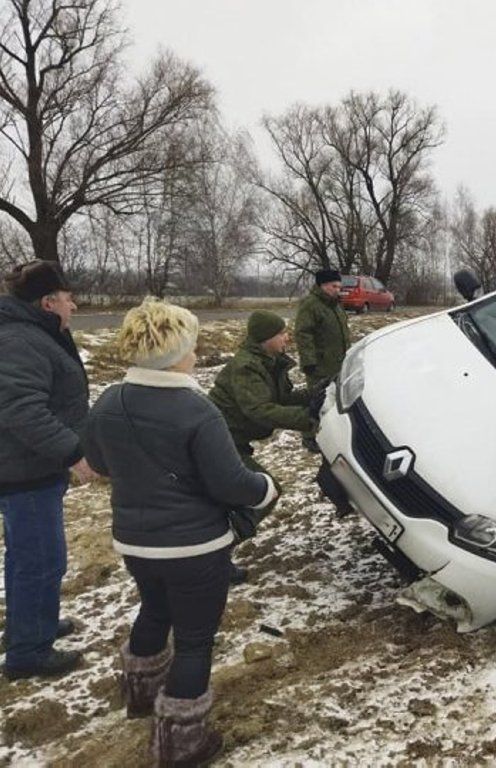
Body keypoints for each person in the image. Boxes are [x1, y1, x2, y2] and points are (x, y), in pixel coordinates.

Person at [81, 297, 277, 766]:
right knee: (194, 640)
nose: (196, 352)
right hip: (195, 547)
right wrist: (266, 488)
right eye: (191, 343)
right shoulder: (196, 410)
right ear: (176, 351)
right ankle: (184, 742)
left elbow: (102, 463)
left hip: (135, 541)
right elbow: (231, 483)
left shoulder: (108, 401)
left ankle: (141, 696)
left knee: (154, 609)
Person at [0, 260, 98, 681]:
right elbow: (21, 409)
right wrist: (73, 453)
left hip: (29, 467)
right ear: (47, 301)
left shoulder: (37, 331)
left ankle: (31, 623)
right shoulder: (22, 340)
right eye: (67, 298)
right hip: (26, 472)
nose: (73, 305)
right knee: (41, 559)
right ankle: (29, 653)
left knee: (28, 555)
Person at [208, 311, 312, 581]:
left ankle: (214, 555)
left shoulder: (269, 361)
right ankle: (214, 554)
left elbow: (282, 398)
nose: (287, 337)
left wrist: (314, 395)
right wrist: (310, 420)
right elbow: (260, 409)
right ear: (266, 338)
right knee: (266, 491)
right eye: (281, 333)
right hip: (220, 442)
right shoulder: (247, 367)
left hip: (233, 441)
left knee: (246, 496)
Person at [294, 268, 352, 389]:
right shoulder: (310, 305)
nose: (338, 290)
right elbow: (303, 333)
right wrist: (308, 361)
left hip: (339, 363)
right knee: (321, 400)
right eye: (334, 286)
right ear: (323, 285)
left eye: (339, 287)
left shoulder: (336, 305)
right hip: (320, 367)